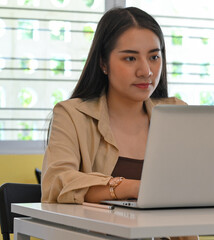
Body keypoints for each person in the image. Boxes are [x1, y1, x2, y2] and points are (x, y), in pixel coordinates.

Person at [41, 7, 186, 205]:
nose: (146, 71)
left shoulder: (177, 113)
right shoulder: (72, 114)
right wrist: (131, 188)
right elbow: (57, 183)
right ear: (103, 63)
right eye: (130, 58)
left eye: (154, 57)